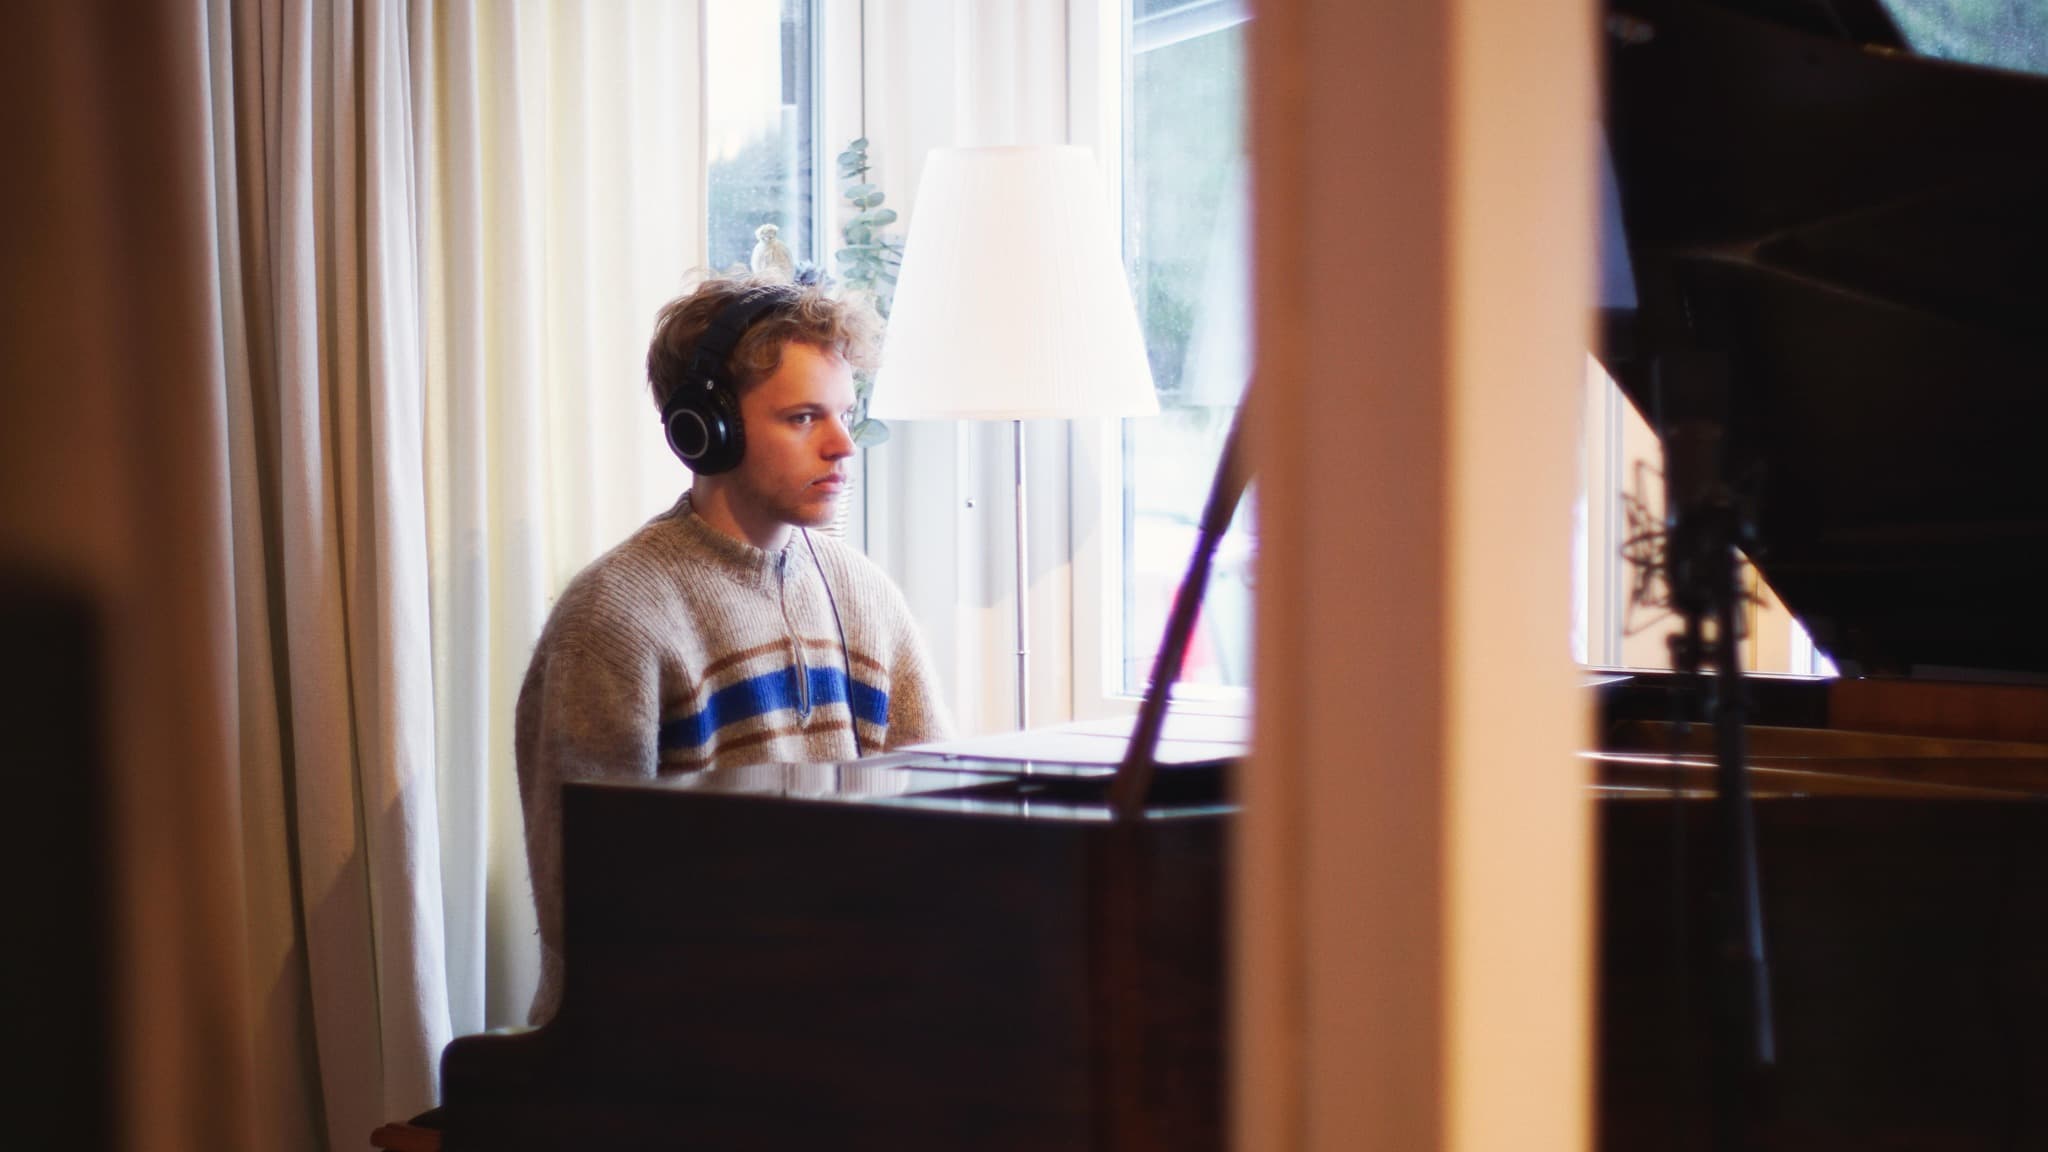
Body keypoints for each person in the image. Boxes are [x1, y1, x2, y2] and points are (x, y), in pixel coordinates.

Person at [514, 275, 952, 1023]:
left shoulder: (864, 595)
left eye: (844, 414)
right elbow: (585, 904)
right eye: (803, 416)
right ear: (705, 427)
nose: (843, 445)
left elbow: (942, 828)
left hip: (839, 1018)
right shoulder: (614, 618)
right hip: (671, 1040)